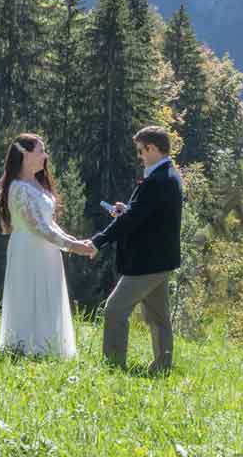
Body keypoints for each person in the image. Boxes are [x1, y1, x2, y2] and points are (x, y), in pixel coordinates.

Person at [90, 124, 184, 373]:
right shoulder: (169, 175)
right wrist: (128, 210)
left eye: (141, 151)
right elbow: (147, 214)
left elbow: (133, 221)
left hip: (146, 262)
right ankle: (162, 366)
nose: (139, 156)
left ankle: (113, 365)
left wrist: (98, 241)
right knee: (158, 318)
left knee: (115, 310)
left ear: (152, 148)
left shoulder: (157, 180)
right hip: (162, 260)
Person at [0, 132, 95, 358]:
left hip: (47, 250)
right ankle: (25, 348)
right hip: (28, 248)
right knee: (30, 294)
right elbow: (38, 227)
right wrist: (73, 246)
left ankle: (47, 347)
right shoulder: (19, 188)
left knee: (48, 295)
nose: (45, 156)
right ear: (24, 155)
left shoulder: (37, 184)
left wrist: (74, 242)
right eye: (40, 151)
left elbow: (50, 224)